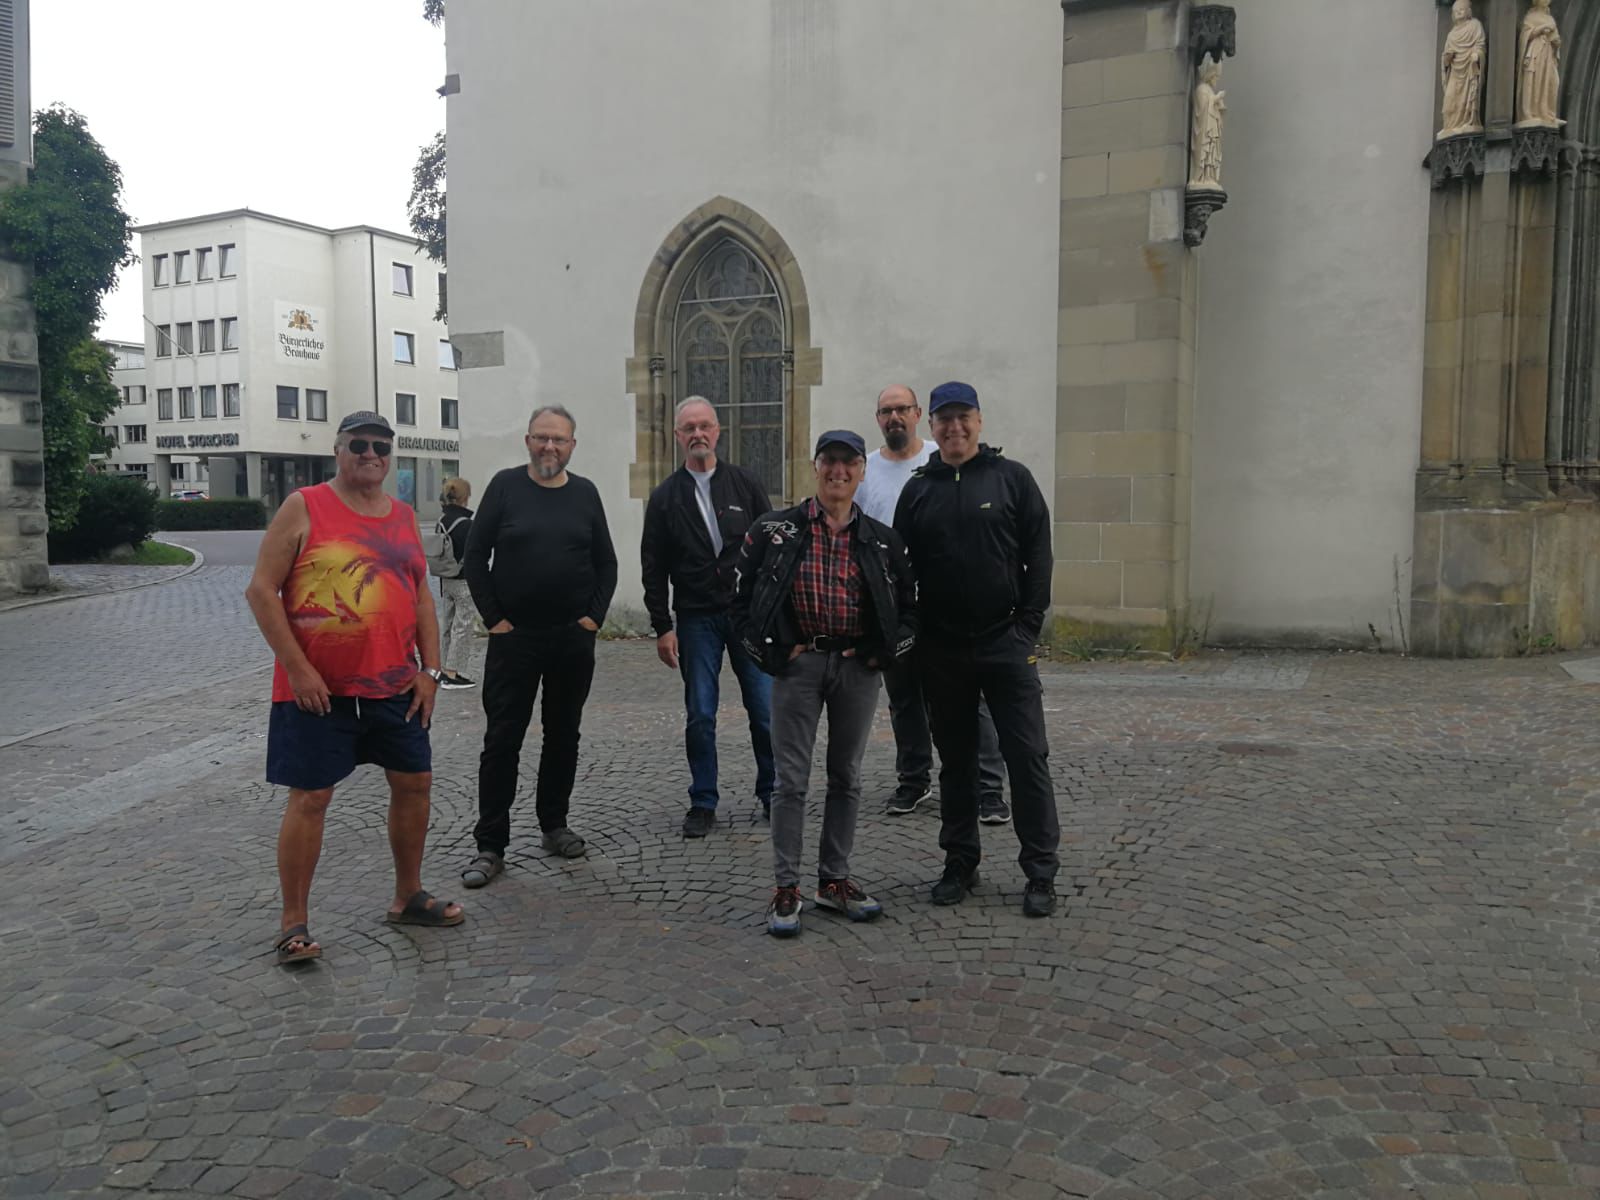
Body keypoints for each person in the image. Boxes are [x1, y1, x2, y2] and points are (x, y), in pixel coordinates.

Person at [244, 410, 463, 966]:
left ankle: (408, 896)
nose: (371, 455)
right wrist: (298, 669)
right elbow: (262, 591)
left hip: (395, 687)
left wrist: (431, 671)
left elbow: (420, 597)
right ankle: (293, 924)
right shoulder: (305, 506)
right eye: (359, 445)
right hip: (320, 692)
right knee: (311, 798)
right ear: (338, 450)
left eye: (381, 448)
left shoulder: (404, 515)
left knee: (414, 785)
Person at [734, 430, 917, 937]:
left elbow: (910, 611)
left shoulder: (883, 539)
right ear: (815, 467)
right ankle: (786, 886)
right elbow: (739, 601)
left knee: (846, 777)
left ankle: (833, 879)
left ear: (862, 471)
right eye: (830, 461)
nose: (839, 471)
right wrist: (768, 653)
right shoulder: (776, 530)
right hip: (800, 666)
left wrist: (884, 652)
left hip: (857, 668)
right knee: (790, 780)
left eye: (849, 463)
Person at [893, 382, 1061, 918]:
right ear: (932, 426)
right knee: (957, 762)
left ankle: (1040, 871)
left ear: (979, 421)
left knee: (1027, 757)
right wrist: (914, 633)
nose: (954, 427)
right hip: (943, 649)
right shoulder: (918, 491)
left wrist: (1027, 626)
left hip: (1006, 643)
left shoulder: (1012, 479)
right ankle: (960, 862)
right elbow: (901, 572)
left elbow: (1039, 554)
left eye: (963, 416)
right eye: (944, 419)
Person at [458, 405, 618, 888]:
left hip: (571, 639)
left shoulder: (585, 493)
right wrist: (495, 620)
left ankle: (554, 824)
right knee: (502, 739)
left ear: (572, 446)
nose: (550, 446)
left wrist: (592, 619)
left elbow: (606, 563)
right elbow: (474, 557)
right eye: (542, 437)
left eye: (559, 439)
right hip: (515, 640)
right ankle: (490, 844)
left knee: (563, 734)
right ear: (527, 440)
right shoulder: (505, 487)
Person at [858, 385, 1009, 822]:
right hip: (893, 606)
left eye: (901, 409)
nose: (894, 417)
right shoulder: (865, 470)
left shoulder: (938, 459)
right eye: (886, 411)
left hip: (948, 605)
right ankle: (913, 779)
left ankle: (988, 788)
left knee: (973, 699)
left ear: (918, 414)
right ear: (878, 418)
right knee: (904, 697)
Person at [641, 396, 776, 837]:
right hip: (696, 617)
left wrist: (770, 608)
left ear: (717, 431)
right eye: (689, 428)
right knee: (700, 713)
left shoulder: (745, 484)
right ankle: (702, 800)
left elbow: (771, 546)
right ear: (677, 436)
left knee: (765, 710)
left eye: (704, 426)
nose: (697, 434)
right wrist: (662, 626)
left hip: (746, 615)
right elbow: (653, 566)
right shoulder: (665, 497)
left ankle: (772, 792)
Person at [434, 477, 478, 689]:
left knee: (448, 625)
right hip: (463, 580)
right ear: (465, 497)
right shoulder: (467, 524)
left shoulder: (441, 521)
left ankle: (444, 669)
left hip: (446, 579)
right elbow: (474, 554)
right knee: (463, 626)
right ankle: (452, 674)